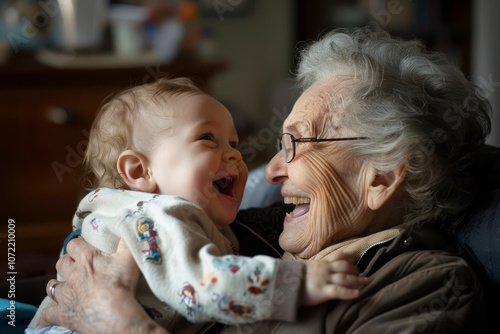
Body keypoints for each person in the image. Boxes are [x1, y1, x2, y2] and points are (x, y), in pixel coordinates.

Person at [37, 26, 492, 333]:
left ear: (382, 176)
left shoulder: (425, 287)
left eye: (295, 144)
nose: (271, 169)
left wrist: (118, 322)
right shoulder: (250, 231)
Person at [27, 77, 368, 333]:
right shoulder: (159, 216)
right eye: (207, 138)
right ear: (139, 172)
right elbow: (201, 282)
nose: (235, 153)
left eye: (234, 143)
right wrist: (297, 284)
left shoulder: (148, 212)